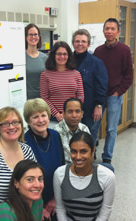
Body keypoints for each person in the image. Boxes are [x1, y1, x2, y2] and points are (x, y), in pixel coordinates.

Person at [94, 18, 133, 164]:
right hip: (99, 95)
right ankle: (91, 152)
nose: (109, 31)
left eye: (112, 29)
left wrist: (119, 92)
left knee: (111, 129)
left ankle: (107, 156)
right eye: (107, 28)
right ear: (103, 31)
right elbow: (95, 73)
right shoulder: (98, 51)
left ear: (118, 31)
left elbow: (129, 74)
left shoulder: (124, 50)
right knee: (94, 126)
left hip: (114, 95)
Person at [53, 131, 115, 221]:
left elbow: (105, 211)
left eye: (83, 151)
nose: (78, 157)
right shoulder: (59, 174)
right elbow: (60, 208)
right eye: (74, 151)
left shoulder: (107, 176)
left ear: (93, 151)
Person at [23, 98, 64, 220]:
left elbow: (62, 169)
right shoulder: (24, 142)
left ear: (48, 116)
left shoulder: (56, 135)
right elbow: (24, 181)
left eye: (43, 115)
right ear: (28, 121)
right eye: (35, 117)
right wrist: (37, 207)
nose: (40, 120)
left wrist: (55, 198)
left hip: (56, 197)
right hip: (33, 201)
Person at [72, 29, 108, 146]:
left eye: (83, 41)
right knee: (73, 134)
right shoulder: (67, 61)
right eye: (77, 41)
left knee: (89, 134)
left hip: (90, 106)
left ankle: (90, 157)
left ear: (88, 44)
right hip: (72, 106)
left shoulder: (96, 62)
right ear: (73, 43)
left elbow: (102, 86)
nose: (80, 44)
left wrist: (98, 105)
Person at [40, 41, 84, 127]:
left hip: (73, 117)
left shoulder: (76, 74)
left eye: (65, 54)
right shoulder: (45, 74)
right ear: (53, 55)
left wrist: (71, 113)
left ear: (69, 56)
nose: (62, 57)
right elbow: (44, 98)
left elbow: (80, 97)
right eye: (59, 54)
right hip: (53, 118)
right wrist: (57, 114)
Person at [54, 98, 90, 164]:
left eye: (77, 111)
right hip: (66, 169)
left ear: (82, 114)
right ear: (64, 114)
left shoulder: (84, 128)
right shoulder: (56, 132)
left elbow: (90, 152)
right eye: (70, 111)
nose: (74, 115)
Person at [25, 23, 48, 99]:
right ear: (26, 37)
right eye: (30, 34)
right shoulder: (21, 58)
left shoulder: (45, 58)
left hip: (42, 100)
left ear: (39, 37)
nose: (33, 37)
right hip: (26, 99)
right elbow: (16, 76)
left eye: (35, 34)